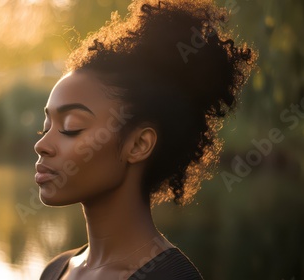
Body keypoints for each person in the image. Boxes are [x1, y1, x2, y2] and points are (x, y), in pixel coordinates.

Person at [34, 0, 256, 279]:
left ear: (138, 145)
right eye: (45, 128)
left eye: (71, 127)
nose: (41, 145)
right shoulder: (55, 270)